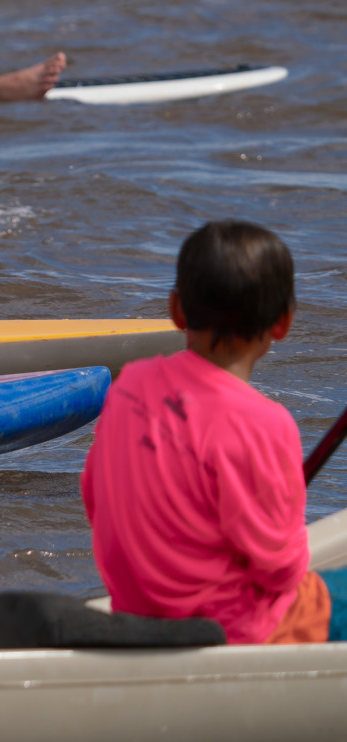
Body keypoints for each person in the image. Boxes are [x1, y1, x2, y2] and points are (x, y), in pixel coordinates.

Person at [82, 221, 346, 645]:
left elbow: (96, 498)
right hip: (240, 627)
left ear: (176, 310)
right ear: (283, 323)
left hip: (137, 609)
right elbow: (281, 571)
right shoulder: (264, 423)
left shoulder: (129, 386)